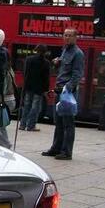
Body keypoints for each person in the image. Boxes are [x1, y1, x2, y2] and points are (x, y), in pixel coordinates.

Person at [42, 28, 85, 160]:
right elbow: (62, 69)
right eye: (65, 35)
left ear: (75, 37)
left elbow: (77, 74)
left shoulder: (78, 54)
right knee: (58, 121)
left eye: (69, 35)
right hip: (59, 89)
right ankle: (56, 148)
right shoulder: (65, 50)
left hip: (67, 91)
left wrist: (68, 88)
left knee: (68, 123)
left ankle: (67, 152)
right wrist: (57, 62)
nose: (66, 38)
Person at [20, 45, 51, 131]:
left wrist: (25, 84)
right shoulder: (46, 63)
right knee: (35, 107)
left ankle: (22, 125)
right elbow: (46, 78)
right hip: (39, 88)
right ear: (45, 52)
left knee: (26, 105)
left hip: (28, 86)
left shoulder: (29, 59)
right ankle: (31, 125)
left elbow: (25, 73)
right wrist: (46, 89)